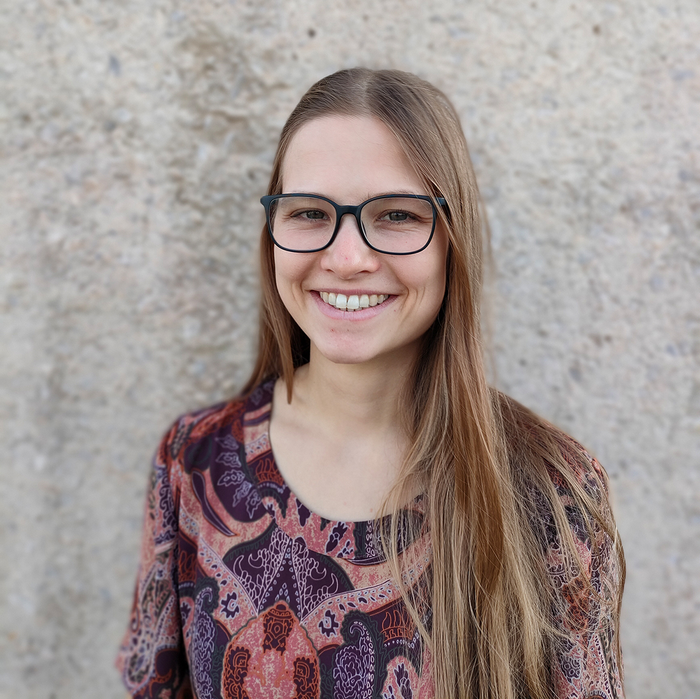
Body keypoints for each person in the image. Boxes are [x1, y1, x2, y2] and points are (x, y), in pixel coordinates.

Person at [116, 68, 625, 699]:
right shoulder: (193, 461)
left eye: (396, 215)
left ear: (453, 241)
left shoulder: (552, 490)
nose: (348, 258)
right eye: (309, 212)